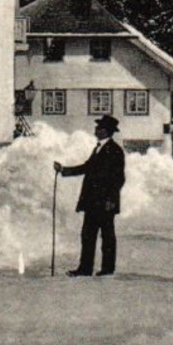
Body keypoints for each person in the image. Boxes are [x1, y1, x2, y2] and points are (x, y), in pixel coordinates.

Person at [53, 114, 127, 277]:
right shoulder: (98, 148)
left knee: (107, 236)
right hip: (92, 201)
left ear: (106, 131)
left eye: (99, 127)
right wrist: (64, 170)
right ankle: (85, 268)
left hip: (105, 202)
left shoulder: (115, 151)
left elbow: (119, 178)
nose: (95, 129)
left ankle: (107, 269)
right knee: (88, 235)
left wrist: (110, 200)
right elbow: (87, 167)